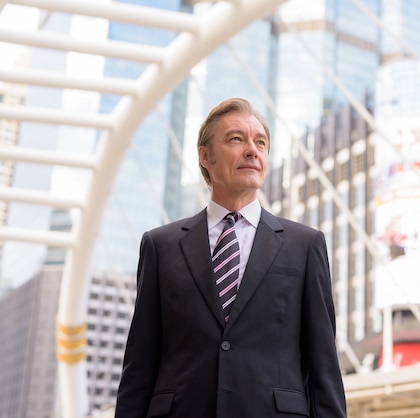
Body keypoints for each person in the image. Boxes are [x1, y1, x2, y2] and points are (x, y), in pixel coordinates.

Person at [115, 98, 347, 418]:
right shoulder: (160, 246)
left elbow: (324, 370)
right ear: (205, 156)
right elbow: (138, 369)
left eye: (260, 142)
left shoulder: (305, 246)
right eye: (236, 139)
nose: (252, 150)